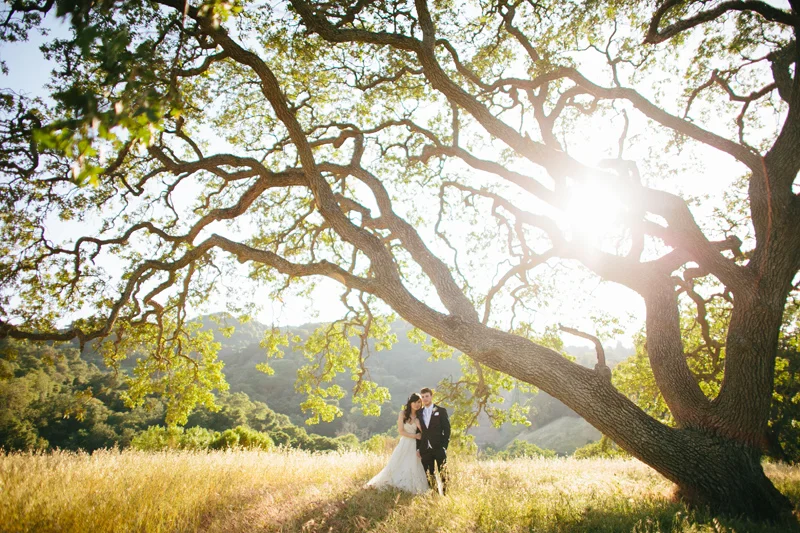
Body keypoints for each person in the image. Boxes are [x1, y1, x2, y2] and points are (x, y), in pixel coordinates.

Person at [365, 393, 429, 494]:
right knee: (398, 462)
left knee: (413, 464)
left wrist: (418, 425)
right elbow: (401, 431)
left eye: (419, 402)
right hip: (405, 442)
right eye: (414, 402)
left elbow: (425, 432)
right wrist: (414, 436)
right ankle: (395, 483)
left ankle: (411, 485)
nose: (417, 404)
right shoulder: (403, 413)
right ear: (410, 402)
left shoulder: (420, 415)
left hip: (415, 444)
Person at [417, 387, 450, 495]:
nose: (425, 399)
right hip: (425, 449)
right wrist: (418, 448)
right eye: (423, 397)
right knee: (429, 474)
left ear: (431, 396)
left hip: (439, 447)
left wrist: (444, 446)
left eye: (427, 396)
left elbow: (447, 429)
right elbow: (418, 432)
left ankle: (445, 495)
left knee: (443, 473)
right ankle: (434, 495)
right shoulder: (419, 413)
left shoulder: (441, 411)